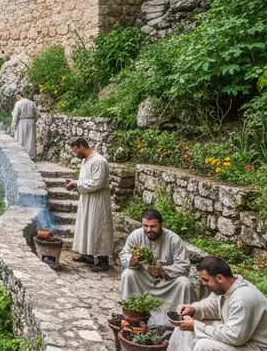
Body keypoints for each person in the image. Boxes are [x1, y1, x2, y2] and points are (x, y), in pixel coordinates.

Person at [119, 208, 194, 327]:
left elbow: (184, 266)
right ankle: (132, 316)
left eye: (153, 226)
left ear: (161, 225)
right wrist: (132, 261)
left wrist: (163, 270)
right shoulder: (136, 235)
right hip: (143, 279)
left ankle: (176, 321)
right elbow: (124, 255)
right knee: (128, 274)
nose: (149, 230)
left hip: (166, 282)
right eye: (145, 226)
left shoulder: (173, 239)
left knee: (184, 283)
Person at [65, 137, 114, 271]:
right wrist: (74, 182)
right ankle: (87, 255)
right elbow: (86, 179)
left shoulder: (99, 161)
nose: (76, 154)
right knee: (87, 225)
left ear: (82, 146)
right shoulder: (86, 161)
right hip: (87, 199)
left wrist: (77, 184)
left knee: (98, 226)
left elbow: (97, 182)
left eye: (76, 150)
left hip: (98, 200)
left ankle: (103, 260)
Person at [11, 93, 37, 159]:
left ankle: (21, 154)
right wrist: (34, 121)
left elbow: (15, 115)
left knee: (21, 137)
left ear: (19, 96)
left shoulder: (18, 103)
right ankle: (31, 155)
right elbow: (36, 114)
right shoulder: (32, 103)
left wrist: (14, 125)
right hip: (31, 121)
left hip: (22, 121)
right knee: (30, 138)